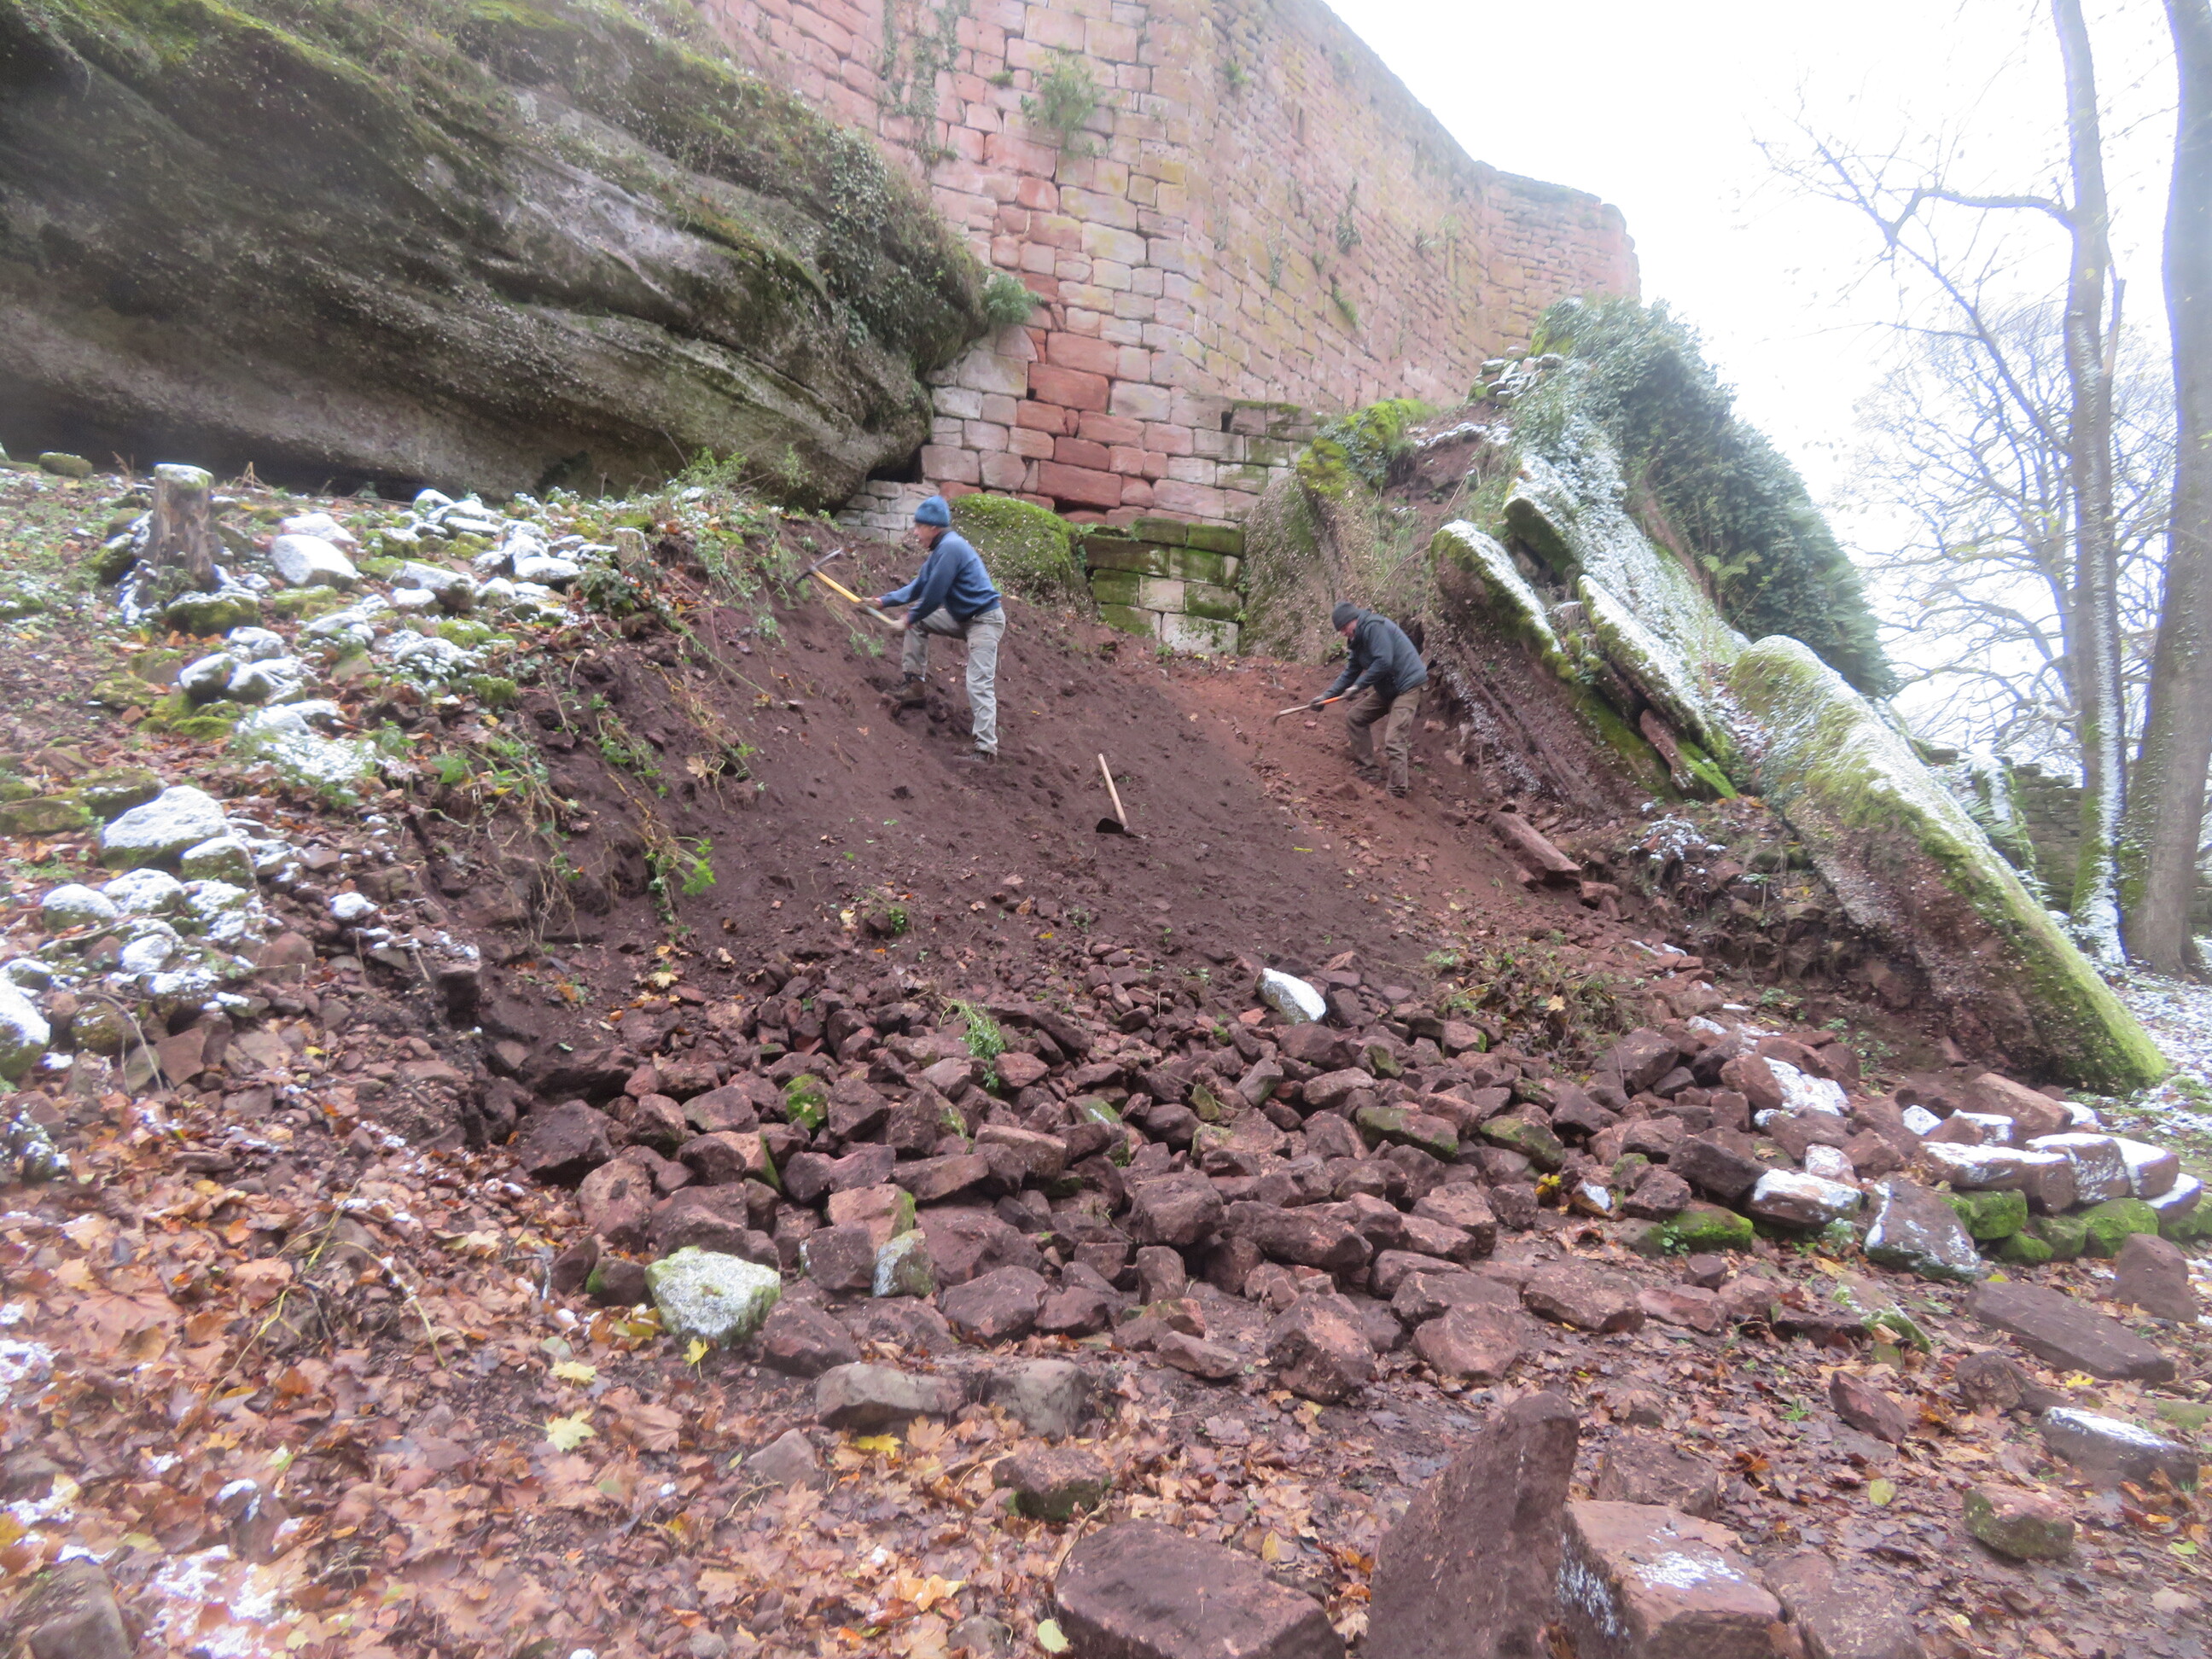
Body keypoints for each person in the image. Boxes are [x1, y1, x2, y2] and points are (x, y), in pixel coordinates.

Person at [876, 494, 1007, 762]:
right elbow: (919, 586)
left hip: (984, 620)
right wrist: (881, 601)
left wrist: (908, 618)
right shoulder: (940, 550)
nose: (915, 533)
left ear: (934, 528)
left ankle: (986, 749)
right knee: (920, 623)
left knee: (978, 682)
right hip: (963, 617)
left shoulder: (951, 548)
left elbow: (934, 595)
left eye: (919, 527)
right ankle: (914, 686)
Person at [1313, 601, 1428, 796]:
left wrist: (1359, 686)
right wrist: (1326, 696)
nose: (1343, 633)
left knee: (1394, 738)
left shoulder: (1375, 626)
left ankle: (1397, 791)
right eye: (1341, 630)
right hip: (1388, 688)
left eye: (1344, 628)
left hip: (1407, 686)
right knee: (1355, 718)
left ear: (1354, 620)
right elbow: (1350, 672)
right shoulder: (1357, 642)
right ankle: (1370, 770)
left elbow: (1384, 661)